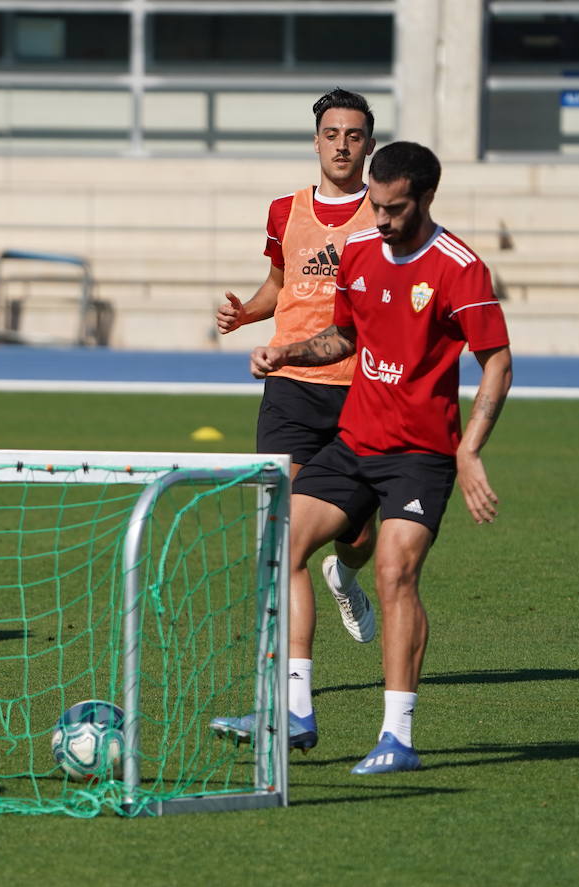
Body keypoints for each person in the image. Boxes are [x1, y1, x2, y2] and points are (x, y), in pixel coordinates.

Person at [221, 141, 512, 773]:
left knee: (393, 572)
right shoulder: (357, 251)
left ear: (426, 198)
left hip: (420, 454)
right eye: (375, 206)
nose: (379, 220)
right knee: (281, 545)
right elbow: (346, 335)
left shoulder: (460, 267)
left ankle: (397, 737)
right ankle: (294, 710)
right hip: (354, 442)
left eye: (394, 209)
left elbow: (497, 362)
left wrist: (470, 450)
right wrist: (288, 352)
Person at [210, 89, 381, 753]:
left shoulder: (384, 213)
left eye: (355, 135)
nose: (342, 144)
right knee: (282, 542)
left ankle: (350, 576)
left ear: (369, 145)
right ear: (316, 141)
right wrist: (247, 315)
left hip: (360, 394)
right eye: (332, 133)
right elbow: (282, 285)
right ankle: (296, 706)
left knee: (355, 539)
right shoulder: (286, 211)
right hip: (289, 390)